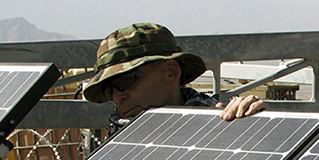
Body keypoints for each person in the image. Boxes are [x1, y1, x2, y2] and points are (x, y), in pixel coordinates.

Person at [82, 22, 266, 133]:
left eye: (125, 81)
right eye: (109, 88)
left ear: (171, 72)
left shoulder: (216, 123)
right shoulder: (116, 135)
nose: (117, 96)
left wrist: (254, 123)